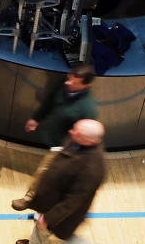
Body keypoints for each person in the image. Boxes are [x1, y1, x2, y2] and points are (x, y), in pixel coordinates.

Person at [15, 119, 108, 244]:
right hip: (52, 200)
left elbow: (73, 201)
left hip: (65, 213)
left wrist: (50, 218)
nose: (71, 132)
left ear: (90, 140)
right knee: (40, 221)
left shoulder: (93, 169)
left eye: (77, 132)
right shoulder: (79, 142)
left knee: (68, 238)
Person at [12, 63, 98, 211]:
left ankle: (30, 199)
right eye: (69, 78)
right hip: (53, 139)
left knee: (44, 172)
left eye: (73, 82)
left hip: (64, 147)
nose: (67, 82)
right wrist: (36, 118)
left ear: (86, 86)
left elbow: (85, 138)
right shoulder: (64, 86)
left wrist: (68, 153)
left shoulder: (87, 109)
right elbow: (49, 102)